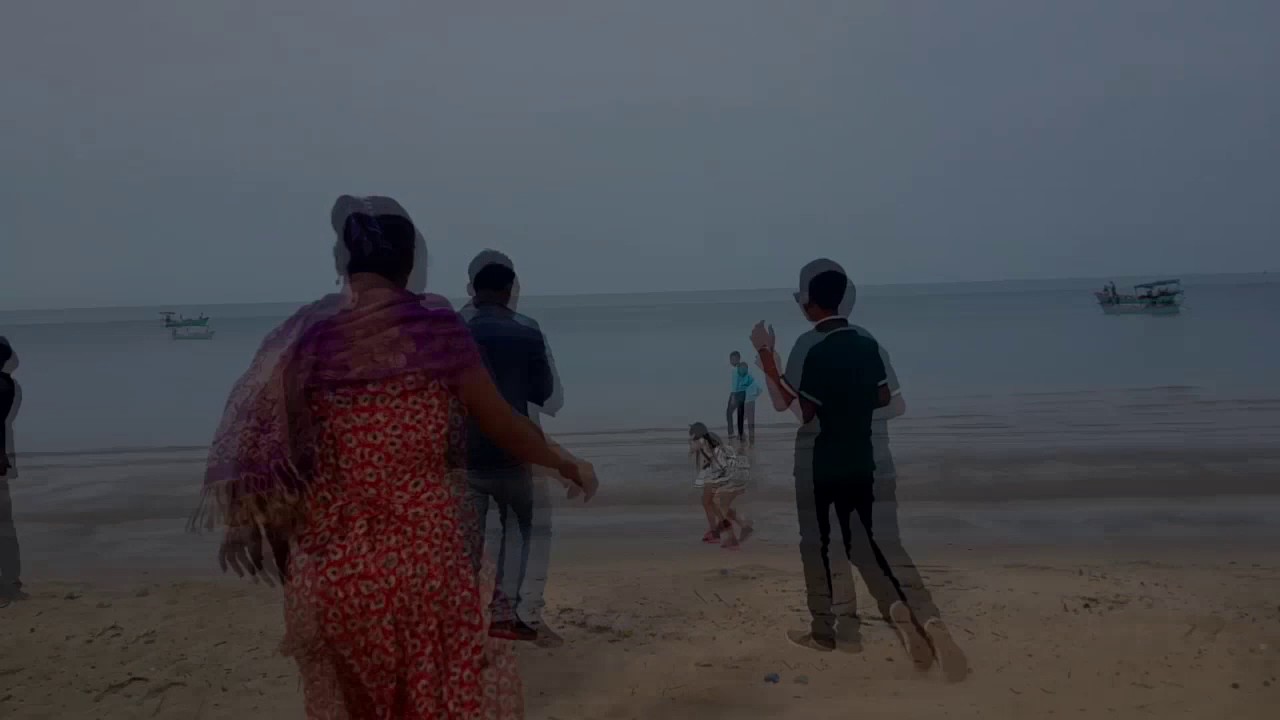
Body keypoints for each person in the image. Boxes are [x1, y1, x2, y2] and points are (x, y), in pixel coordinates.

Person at [194, 195, 598, 720]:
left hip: (337, 573)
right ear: (410, 266)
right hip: (425, 566)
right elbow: (505, 426)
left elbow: (275, 450)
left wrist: (255, 526)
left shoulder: (311, 340)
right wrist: (566, 462)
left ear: (343, 262)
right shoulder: (434, 331)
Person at [751, 262, 964, 679]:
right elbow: (890, 401)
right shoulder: (868, 343)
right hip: (866, 459)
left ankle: (831, 634)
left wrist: (765, 357)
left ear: (811, 304)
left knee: (821, 547)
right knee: (874, 546)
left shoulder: (810, 347)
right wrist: (854, 408)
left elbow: (795, 409)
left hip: (821, 463)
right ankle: (922, 617)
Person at [459, 250, 565, 647]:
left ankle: (462, 626)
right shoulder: (527, 329)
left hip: (465, 454)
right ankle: (508, 615)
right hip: (513, 452)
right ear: (509, 291)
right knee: (521, 533)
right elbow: (546, 394)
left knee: (466, 546)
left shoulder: (453, 331)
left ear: (473, 290)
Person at [688, 422, 752, 548]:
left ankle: (723, 535)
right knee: (717, 505)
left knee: (713, 503)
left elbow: (721, 466)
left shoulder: (708, 444)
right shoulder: (710, 442)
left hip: (729, 476)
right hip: (733, 475)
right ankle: (741, 526)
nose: (692, 441)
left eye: (693, 438)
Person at [0, 337, 23, 606]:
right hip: (4, 464)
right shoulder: (10, 386)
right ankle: (11, 581)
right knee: (5, 524)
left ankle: (9, 582)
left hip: (1, 463)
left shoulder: (5, 387)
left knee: (4, 524)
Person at [733, 361, 762, 446]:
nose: (742, 370)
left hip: (749, 403)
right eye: (741, 368)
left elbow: (759, 390)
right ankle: (744, 437)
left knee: (749, 422)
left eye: (743, 368)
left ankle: (750, 440)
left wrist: (753, 396)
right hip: (744, 402)